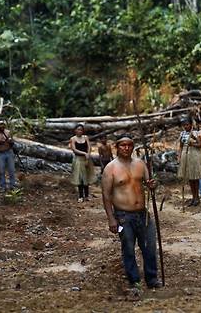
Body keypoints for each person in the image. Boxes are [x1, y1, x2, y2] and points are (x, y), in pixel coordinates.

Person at [102, 134, 161, 292]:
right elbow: (106, 196)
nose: (126, 148)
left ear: (133, 147)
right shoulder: (110, 168)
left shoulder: (140, 164)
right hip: (122, 217)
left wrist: (152, 185)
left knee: (149, 246)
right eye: (123, 145)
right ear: (117, 147)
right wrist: (111, 219)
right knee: (128, 247)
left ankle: (152, 278)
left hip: (143, 214)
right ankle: (134, 280)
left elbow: (150, 184)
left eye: (129, 145)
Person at [177, 118, 201, 206]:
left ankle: (197, 198)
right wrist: (179, 156)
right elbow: (181, 146)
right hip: (186, 155)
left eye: (187, 124)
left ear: (191, 125)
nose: (186, 126)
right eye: (184, 125)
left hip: (194, 155)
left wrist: (193, 140)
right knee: (190, 178)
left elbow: (200, 145)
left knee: (195, 177)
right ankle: (193, 197)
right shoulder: (182, 134)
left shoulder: (196, 133)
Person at [69, 123, 95, 202]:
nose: (80, 131)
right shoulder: (73, 139)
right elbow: (74, 149)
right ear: (75, 131)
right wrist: (84, 153)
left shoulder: (85, 137)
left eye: (81, 130)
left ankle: (87, 195)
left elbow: (89, 146)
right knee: (80, 178)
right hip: (78, 160)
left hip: (86, 159)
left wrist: (88, 154)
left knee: (86, 177)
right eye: (78, 130)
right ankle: (80, 196)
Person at [0, 120, 16, 192]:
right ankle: (3, 186)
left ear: (4, 125)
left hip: (9, 152)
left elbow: (12, 142)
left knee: (11, 170)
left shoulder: (8, 132)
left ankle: (12, 185)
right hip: (0, 153)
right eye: (0, 125)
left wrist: (10, 141)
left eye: (2, 125)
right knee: (1, 171)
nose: (1, 126)